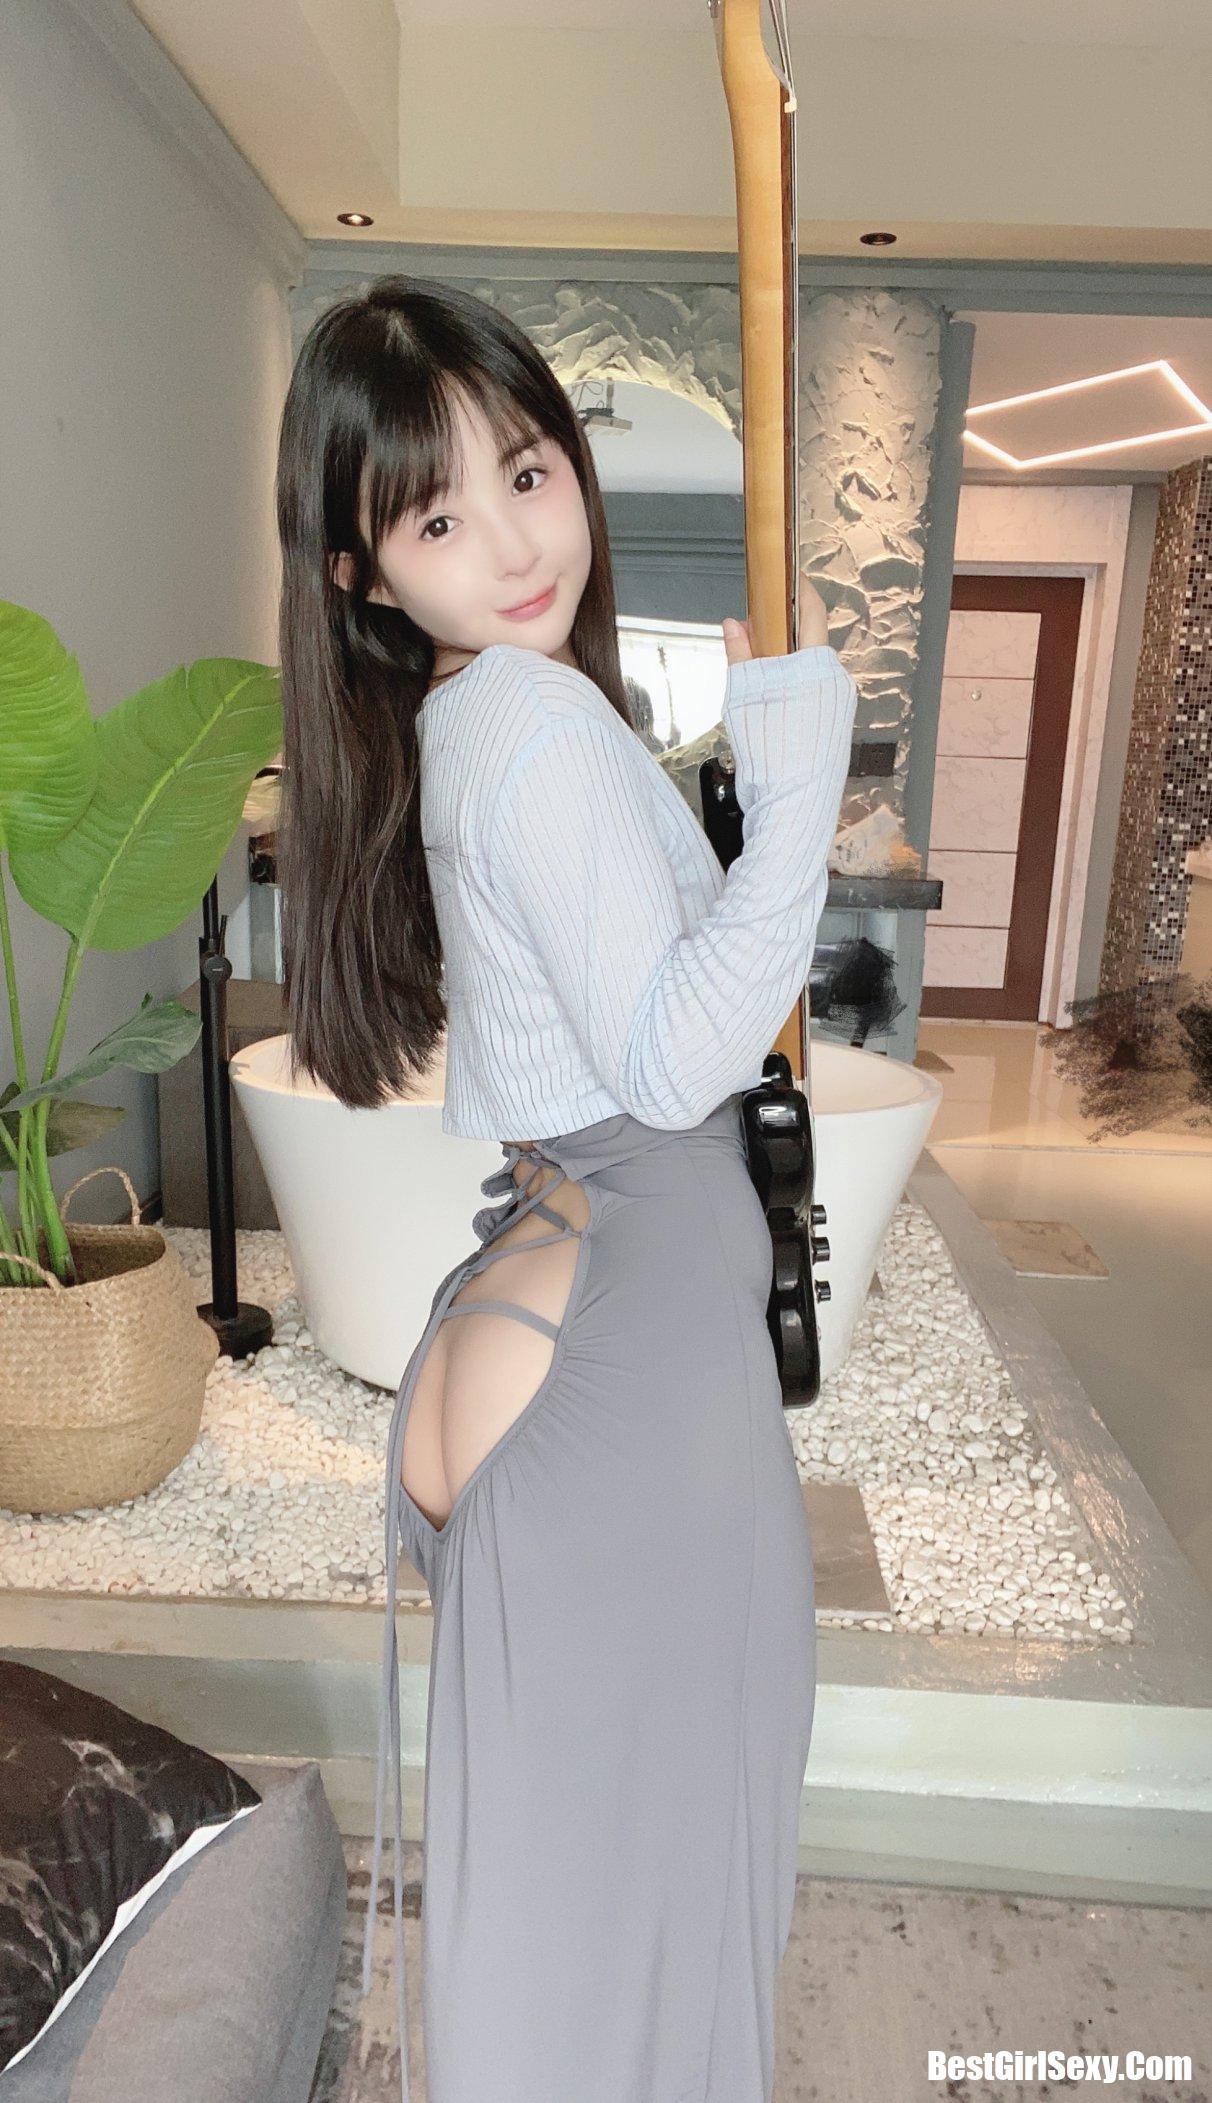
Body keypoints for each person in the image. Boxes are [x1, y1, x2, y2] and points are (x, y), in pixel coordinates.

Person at [273, 274, 859, 2103]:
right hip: (622, 1326)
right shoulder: (527, 723)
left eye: (526, 474)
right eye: (438, 518)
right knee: (661, 1932)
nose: (517, 542)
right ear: (365, 573)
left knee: (557, 1946)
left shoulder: (473, 718)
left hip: (554, 1290)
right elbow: (682, 1059)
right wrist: (800, 794)